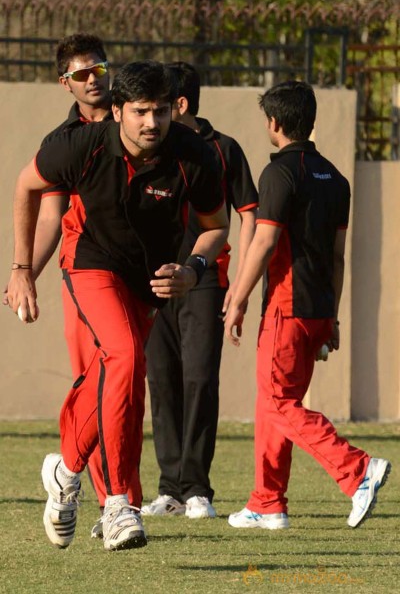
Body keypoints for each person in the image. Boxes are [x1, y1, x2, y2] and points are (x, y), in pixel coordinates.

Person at [7, 60, 229, 552]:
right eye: (142, 112)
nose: (153, 122)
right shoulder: (80, 145)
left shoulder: (195, 156)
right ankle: (119, 505)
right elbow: (26, 185)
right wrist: (22, 270)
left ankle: (64, 471)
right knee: (127, 357)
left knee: (113, 369)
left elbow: (216, 226)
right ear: (117, 111)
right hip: (90, 262)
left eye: (163, 111)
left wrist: (192, 268)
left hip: (148, 278)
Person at [224, 80, 391, 530]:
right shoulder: (335, 178)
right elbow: (338, 257)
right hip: (317, 310)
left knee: (279, 401)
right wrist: (332, 317)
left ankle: (358, 472)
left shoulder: (279, 173)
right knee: (275, 404)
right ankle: (267, 502)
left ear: (274, 123)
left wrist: (237, 298)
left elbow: (264, 240)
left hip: (286, 308)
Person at [143, 61, 258, 519]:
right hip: (153, 279)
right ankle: (169, 488)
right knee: (162, 380)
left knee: (200, 380)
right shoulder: (151, 151)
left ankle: (197, 490)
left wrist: (241, 285)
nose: (151, 119)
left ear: (181, 104)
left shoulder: (222, 149)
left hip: (207, 279)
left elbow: (248, 213)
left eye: (161, 105)